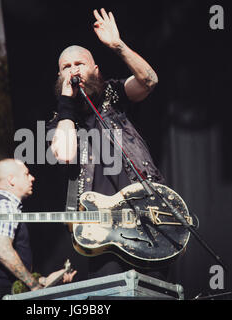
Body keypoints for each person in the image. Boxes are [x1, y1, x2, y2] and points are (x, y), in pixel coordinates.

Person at [48, 9, 169, 280]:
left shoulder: (113, 94)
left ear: (95, 69)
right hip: (101, 230)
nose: (73, 71)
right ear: (59, 76)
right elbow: (65, 153)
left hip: (143, 212)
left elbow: (149, 80)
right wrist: (66, 104)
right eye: (65, 68)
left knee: (155, 286)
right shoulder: (60, 120)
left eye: (78, 64)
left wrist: (118, 45)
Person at [0, 158, 76, 299]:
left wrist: (45, 281)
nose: (32, 178)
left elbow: (14, 279)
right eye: (26, 174)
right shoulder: (4, 205)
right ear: (11, 180)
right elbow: (3, 252)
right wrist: (35, 286)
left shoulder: (8, 206)